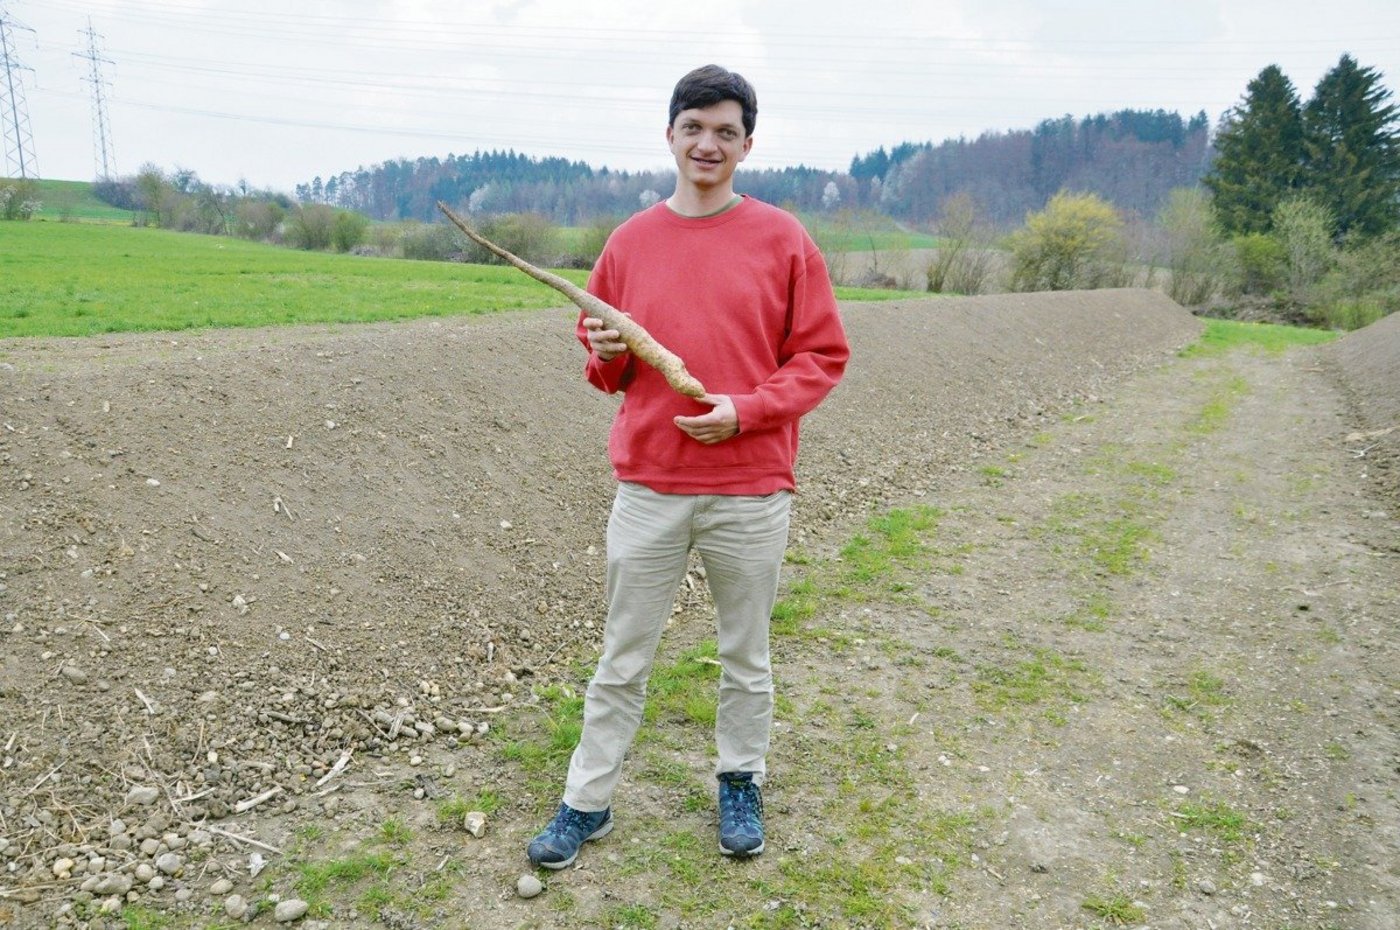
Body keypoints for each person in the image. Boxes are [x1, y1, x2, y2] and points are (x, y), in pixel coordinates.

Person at [527, 64, 850, 869]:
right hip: (650, 488)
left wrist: (746, 411)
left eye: (726, 131)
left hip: (751, 488)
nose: (709, 143)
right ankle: (586, 801)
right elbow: (605, 369)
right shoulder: (630, 242)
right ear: (670, 134)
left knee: (746, 653)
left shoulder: (783, 240)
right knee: (622, 655)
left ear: (747, 144)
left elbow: (820, 356)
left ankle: (740, 780)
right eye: (694, 127)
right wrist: (602, 353)